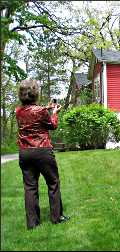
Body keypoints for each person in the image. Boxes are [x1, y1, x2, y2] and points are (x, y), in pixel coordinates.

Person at [15, 79, 70, 229]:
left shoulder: (18, 111)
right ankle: (56, 217)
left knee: (30, 187)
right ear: (35, 94)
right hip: (42, 151)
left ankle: (32, 223)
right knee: (53, 182)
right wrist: (55, 112)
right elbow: (52, 125)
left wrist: (46, 108)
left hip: (25, 152)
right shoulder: (41, 111)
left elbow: (31, 113)